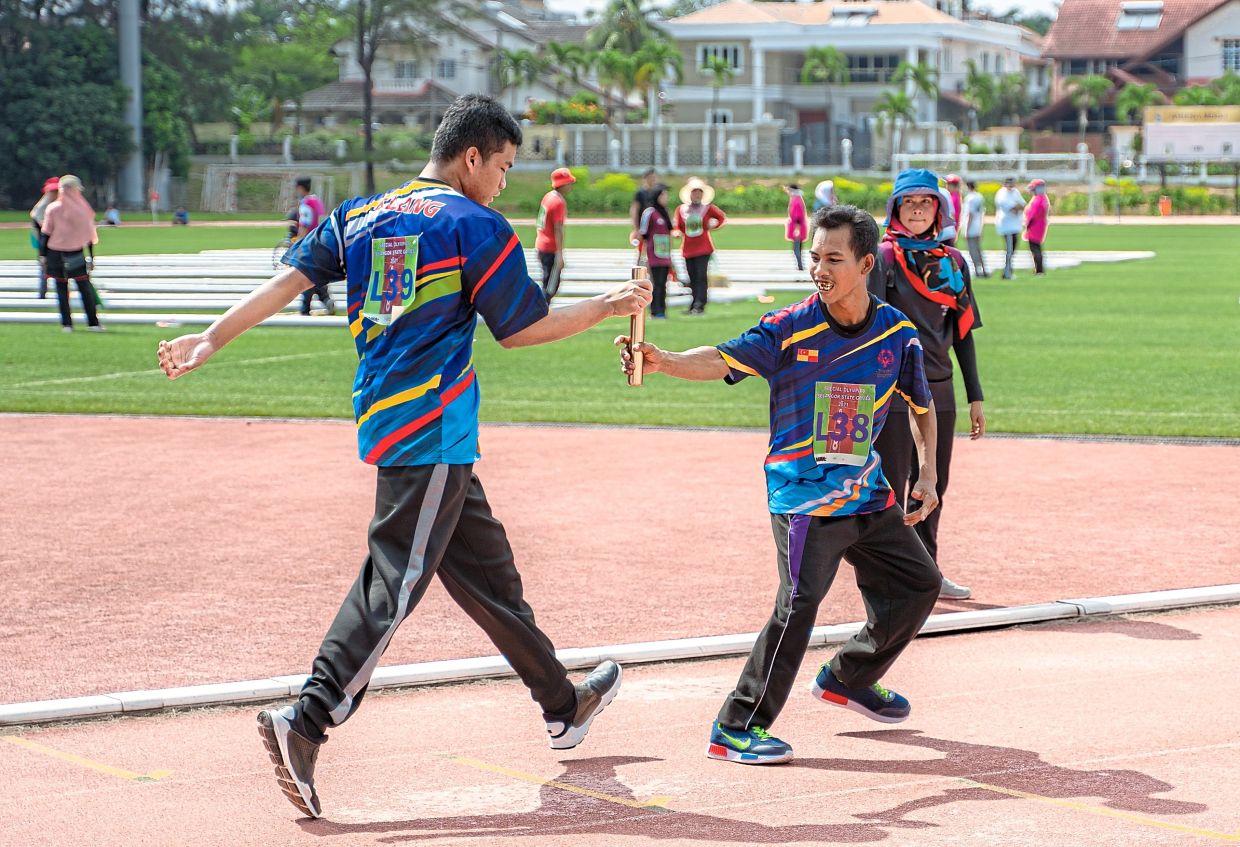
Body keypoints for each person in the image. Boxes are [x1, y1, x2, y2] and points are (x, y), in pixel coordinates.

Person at [156, 94, 649, 819]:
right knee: (397, 575)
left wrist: (212, 337)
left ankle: (563, 702)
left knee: (491, 575)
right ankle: (309, 716)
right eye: (503, 168)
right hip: (433, 428)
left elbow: (288, 282)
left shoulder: (358, 215)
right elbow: (523, 328)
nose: (504, 184)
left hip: (392, 418)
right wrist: (609, 306)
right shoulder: (474, 224)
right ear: (471, 157)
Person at [617, 204, 941, 765]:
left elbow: (922, 406)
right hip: (803, 500)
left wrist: (929, 471)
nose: (819, 268)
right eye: (815, 257)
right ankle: (736, 726)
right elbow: (720, 359)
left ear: (866, 263)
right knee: (799, 605)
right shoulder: (789, 327)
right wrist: (663, 359)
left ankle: (849, 677)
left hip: (866, 494)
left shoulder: (897, 333)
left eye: (833, 259)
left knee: (919, 585)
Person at [869, 169, 985, 602]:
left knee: (933, 483)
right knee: (894, 482)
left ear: (939, 208)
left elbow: (963, 334)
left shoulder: (954, 263)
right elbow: (870, 324)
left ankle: (928, 573)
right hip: (894, 390)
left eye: (926, 202)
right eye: (908, 202)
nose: (917, 209)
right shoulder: (882, 257)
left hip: (940, 387)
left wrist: (975, 396)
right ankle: (893, 575)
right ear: (895, 209)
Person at [40, 174, 103, 333]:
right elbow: (89, 236)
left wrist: (43, 255)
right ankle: (93, 322)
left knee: (62, 289)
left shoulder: (53, 208)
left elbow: (46, 234)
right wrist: (91, 256)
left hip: (55, 253)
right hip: (77, 253)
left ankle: (67, 324)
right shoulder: (84, 209)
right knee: (84, 288)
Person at [673, 176, 726, 315]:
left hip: (703, 247)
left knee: (701, 276)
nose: (697, 195)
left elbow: (721, 218)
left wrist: (713, 225)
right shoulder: (682, 210)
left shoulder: (707, 209)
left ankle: (700, 304)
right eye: (694, 192)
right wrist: (677, 232)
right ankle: (693, 303)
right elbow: (677, 226)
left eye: (699, 192)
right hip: (688, 248)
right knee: (692, 276)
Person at [294, 178, 335, 316]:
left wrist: (299, 242)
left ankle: (305, 308)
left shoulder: (305, 203)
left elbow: (304, 223)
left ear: (300, 187)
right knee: (316, 273)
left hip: (310, 242)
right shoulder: (317, 201)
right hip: (323, 240)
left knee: (307, 274)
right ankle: (325, 298)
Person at [535, 167, 576, 299]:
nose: (570, 186)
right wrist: (559, 254)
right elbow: (558, 228)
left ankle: (542, 313)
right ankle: (541, 315)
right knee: (550, 287)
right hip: (550, 248)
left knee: (547, 282)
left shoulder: (548, 197)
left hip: (541, 245)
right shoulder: (558, 202)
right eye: (568, 183)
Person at [638, 183, 674, 318]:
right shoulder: (650, 212)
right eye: (664, 195)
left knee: (663, 284)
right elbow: (644, 233)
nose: (666, 198)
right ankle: (655, 310)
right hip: (653, 255)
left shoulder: (665, 213)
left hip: (665, 255)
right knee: (655, 284)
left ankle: (662, 310)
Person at [29, 177, 59, 299]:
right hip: (46, 241)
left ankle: (56, 291)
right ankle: (42, 293)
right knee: (45, 267)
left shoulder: (56, 203)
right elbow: (42, 227)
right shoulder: (43, 207)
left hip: (56, 241)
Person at [993, 177, 1025, 280]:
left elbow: (1022, 205)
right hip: (1006, 226)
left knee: (1013, 250)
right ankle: (1007, 273)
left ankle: (1009, 270)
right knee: (1009, 250)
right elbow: (1012, 208)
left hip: (1015, 226)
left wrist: (1017, 207)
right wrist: (1017, 206)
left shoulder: (1015, 192)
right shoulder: (1001, 194)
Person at [960, 179, 989, 278]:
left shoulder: (969, 198)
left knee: (972, 250)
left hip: (971, 226)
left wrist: (967, 229)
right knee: (978, 249)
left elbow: (970, 214)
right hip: (978, 225)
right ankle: (984, 269)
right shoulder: (979, 197)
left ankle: (977, 270)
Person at [1024, 178, 1050, 276]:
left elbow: (1032, 215)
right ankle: (1039, 269)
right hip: (1039, 225)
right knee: (1037, 248)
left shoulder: (1038, 200)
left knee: (1035, 248)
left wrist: (1028, 225)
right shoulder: (1043, 198)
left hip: (1035, 226)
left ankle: (1039, 270)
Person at [785, 183, 808, 271]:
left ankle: (800, 266)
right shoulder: (797, 199)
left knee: (797, 249)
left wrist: (797, 229)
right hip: (797, 227)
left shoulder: (796, 201)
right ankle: (800, 266)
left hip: (797, 228)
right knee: (797, 249)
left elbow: (797, 216)